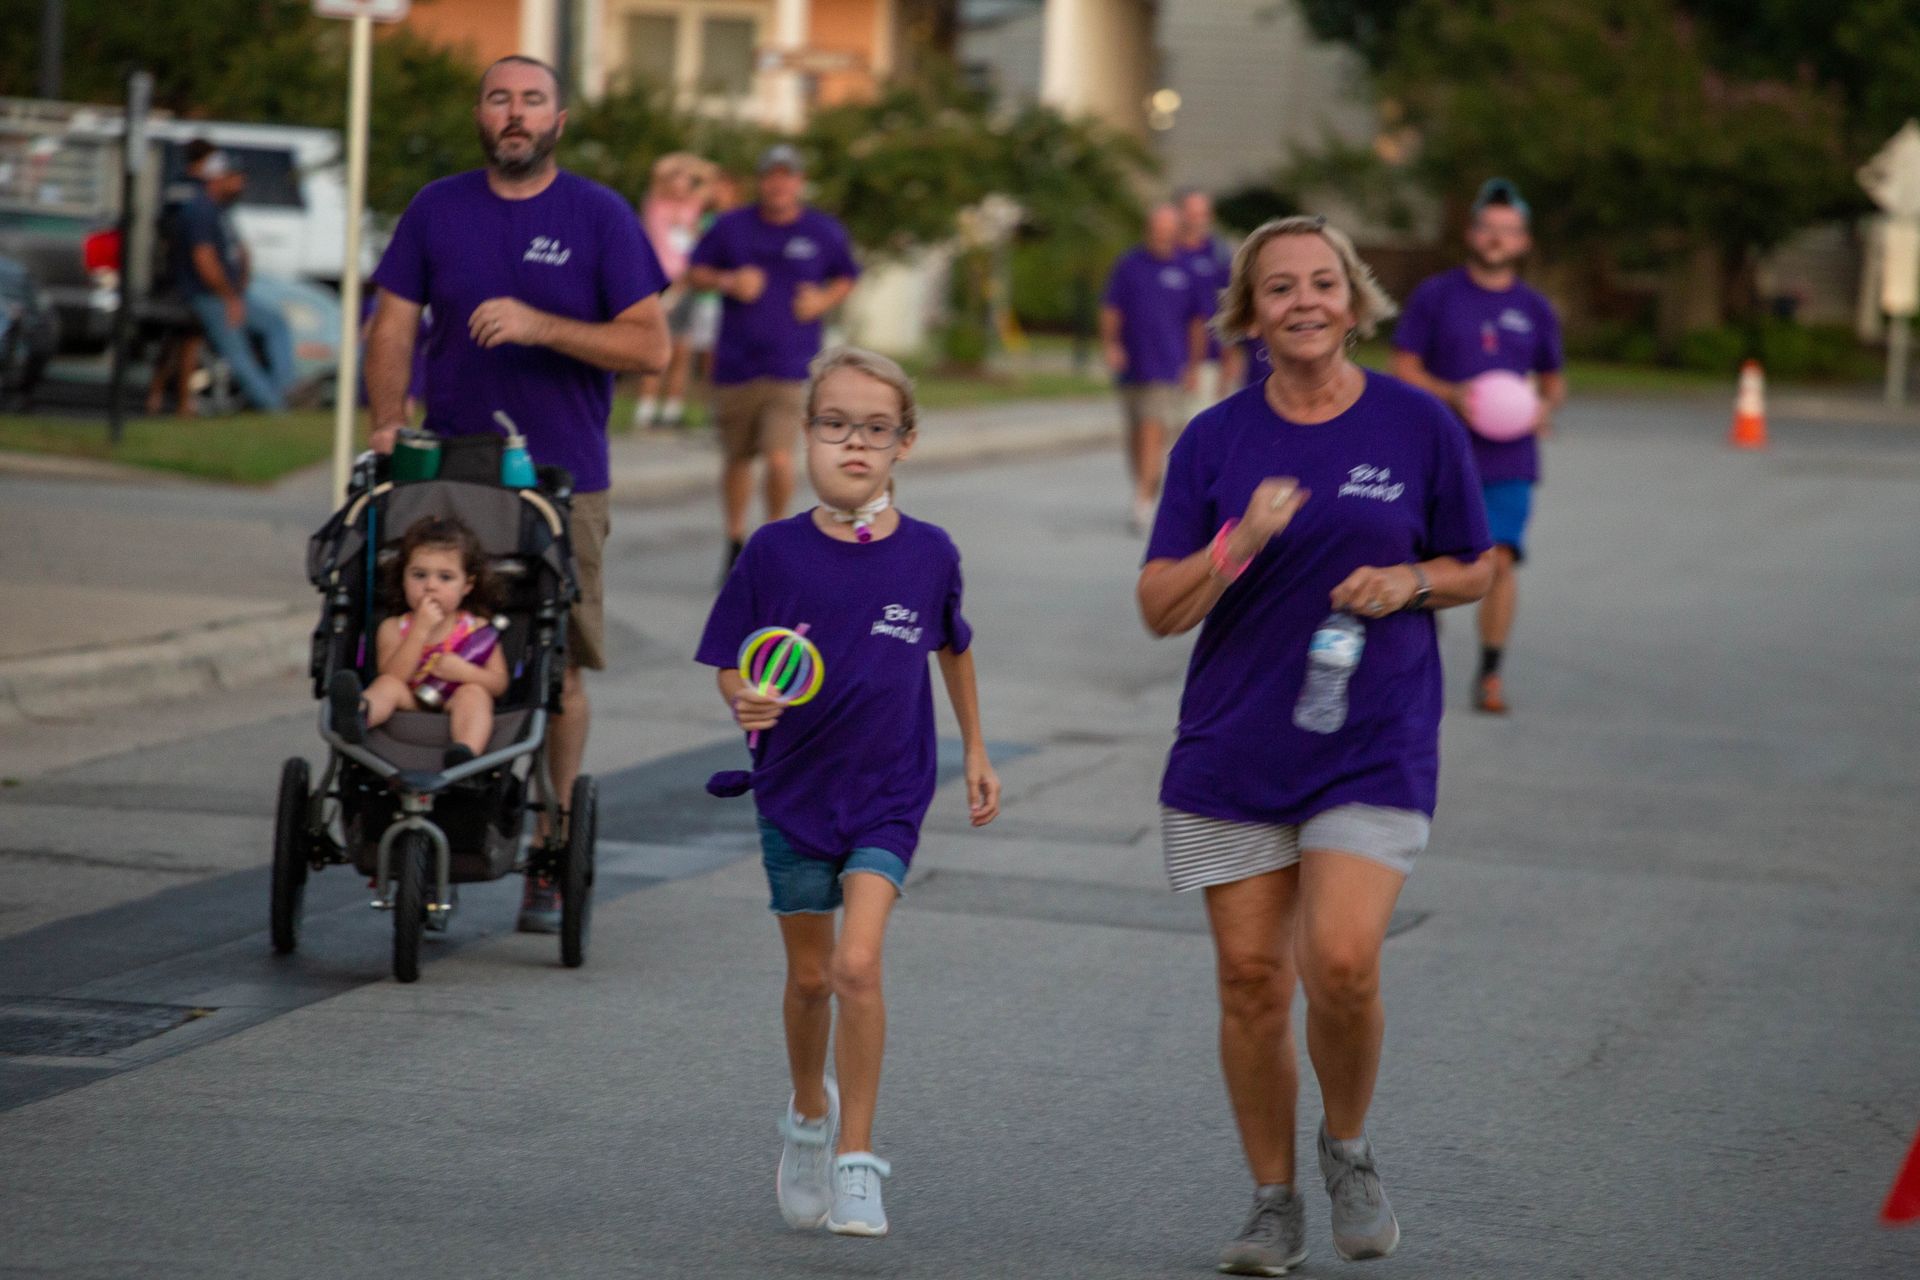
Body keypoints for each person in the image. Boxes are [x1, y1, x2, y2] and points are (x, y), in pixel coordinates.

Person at [1136, 215, 1493, 1274]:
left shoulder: (1418, 426)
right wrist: (1236, 542)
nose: (1304, 300)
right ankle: (1272, 1199)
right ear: (1249, 314)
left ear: (1354, 300)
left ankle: (1346, 1143)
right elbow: (1158, 608)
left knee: (1338, 958)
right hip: (1234, 743)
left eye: (1324, 283)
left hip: (1369, 735)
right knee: (1250, 979)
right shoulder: (1213, 439)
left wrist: (1409, 582)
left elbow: (1474, 562)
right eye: (1279, 286)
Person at [696, 347, 1001, 1239]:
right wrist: (741, 698)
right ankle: (807, 1116)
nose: (854, 443)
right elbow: (730, 663)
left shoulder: (930, 554)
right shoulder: (773, 552)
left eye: (876, 428)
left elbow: (954, 647)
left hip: (889, 791)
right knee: (807, 979)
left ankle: (858, 1159)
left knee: (856, 964)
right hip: (793, 788)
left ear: (905, 442)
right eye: (835, 424)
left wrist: (976, 748)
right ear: (809, 435)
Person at [363, 54, 669, 932]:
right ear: (481, 115)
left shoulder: (599, 216)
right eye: (500, 98)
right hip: (444, 478)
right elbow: (393, 320)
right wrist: (389, 420)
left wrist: (540, 326)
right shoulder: (438, 207)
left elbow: (652, 348)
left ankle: (551, 839)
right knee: (406, 637)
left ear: (558, 121)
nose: (515, 113)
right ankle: (422, 821)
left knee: (554, 669)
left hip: (561, 483)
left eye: (532, 100)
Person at [1391, 178, 1566, 714]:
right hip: (1437, 456)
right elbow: (1402, 369)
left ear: (1523, 242)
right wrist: (1451, 394)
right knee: (1428, 564)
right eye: (1487, 228)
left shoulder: (1535, 310)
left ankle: (1489, 675)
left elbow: (1553, 379)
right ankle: (1415, 659)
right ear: (1471, 233)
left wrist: (1542, 409)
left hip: (1509, 460)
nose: (1495, 238)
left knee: (1499, 563)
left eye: (1507, 231)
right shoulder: (1436, 295)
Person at [686, 145, 860, 575]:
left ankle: (774, 541)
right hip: (736, 363)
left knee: (780, 456)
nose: (779, 183)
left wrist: (822, 299)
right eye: (771, 175)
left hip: (792, 366)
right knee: (738, 458)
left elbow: (847, 275)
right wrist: (728, 280)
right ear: (761, 182)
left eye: (788, 175)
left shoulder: (821, 230)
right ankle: (734, 539)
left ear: (799, 183)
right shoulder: (732, 226)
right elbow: (693, 271)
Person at [329, 516, 510, 767]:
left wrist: (466, 672)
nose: (430, 586)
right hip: (410, 701)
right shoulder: (394, 627)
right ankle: (359, 714)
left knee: (476, 693)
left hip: (454, 701)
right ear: (403, 579)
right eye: (419, 575)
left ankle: (465, 750)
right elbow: (394, 674)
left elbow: (499, 683)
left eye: (445, 577)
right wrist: (420, 631)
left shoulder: (476, 629)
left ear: (466, 586)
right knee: (387, 685)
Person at [1101, 202, 1210, 535]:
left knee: (1152, 430)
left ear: (1175, 231)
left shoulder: (1186, 269)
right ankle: (1145, 486)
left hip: (1167, 365)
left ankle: (1143, 500)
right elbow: (1110, 309)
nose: (1161, 234)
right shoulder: (1129, 265)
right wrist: (1112, 345)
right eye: (1156, 228)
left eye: (1167, 229)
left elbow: (1197, 323)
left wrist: (1193, 365)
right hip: (1132, 364)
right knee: (1135, 434)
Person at [170, 147, 296, 411]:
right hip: (208, 296)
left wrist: (240, 284)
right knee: (238, 354)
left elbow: (240, 251)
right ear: (217, 178)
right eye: (235, 177)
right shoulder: (200, 211)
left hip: (229, 295)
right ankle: (276, 408)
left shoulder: (220, 211)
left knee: (275, 323)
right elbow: (204, 260)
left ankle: (286, 391)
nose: (242, 183)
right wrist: (229, 298)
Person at [632, 151, 711, 429]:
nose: (682, 183)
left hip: (685, 283)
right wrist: (680, 165)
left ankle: (672, 410)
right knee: (656, 347)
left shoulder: (693, 207)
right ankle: (646, 408)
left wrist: (692, 174)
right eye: (676, 178)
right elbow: (659, 167)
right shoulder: (656, 203)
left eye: (687, 179)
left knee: (682, 349)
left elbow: (709, 176)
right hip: (659, 284)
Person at [1177, 188, 1236, 405]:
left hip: (1208, 358)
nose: (1196, 221)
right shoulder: (1167, 250)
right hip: (1166, 357)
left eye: (1201, 214)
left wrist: (1229, 358)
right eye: (1191, 213)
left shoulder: (1217, 255)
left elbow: (1227, 307)